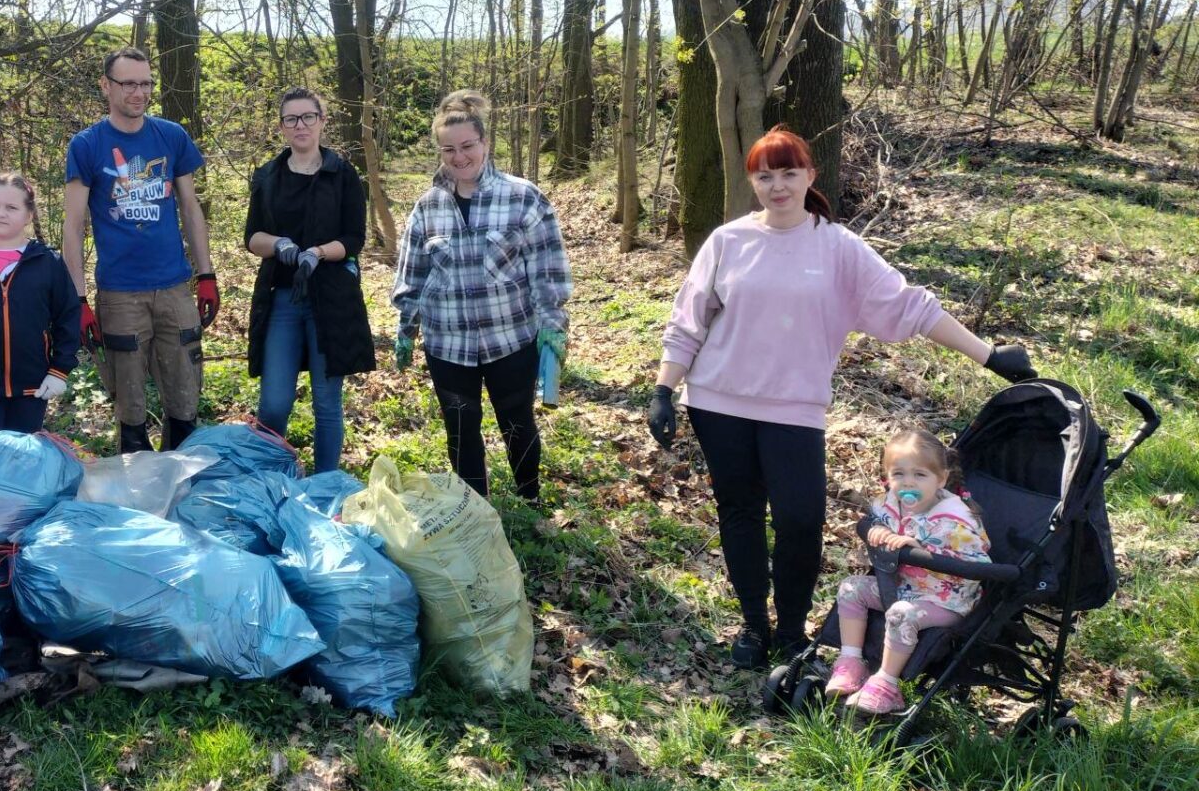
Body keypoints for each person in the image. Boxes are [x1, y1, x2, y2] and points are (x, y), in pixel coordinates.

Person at [646, 124, 1037, 669]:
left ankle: (791, 631)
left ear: (810, 175)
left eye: (788, 173)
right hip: (719, 402)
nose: (777, 185)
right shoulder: (727, 242)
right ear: (752, 181)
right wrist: (665, 388)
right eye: (765, 175)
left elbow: (912, 307)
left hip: (795, 409)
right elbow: (687, 321)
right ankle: (755, 627)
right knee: (739, 513)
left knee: (800, 520)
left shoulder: (837, 247)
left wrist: (990, 356)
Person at [391, 91, 572, 501]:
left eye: (467, 146)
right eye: (449, 149)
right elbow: (413, 272)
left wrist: (553, 324)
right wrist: (406, 327)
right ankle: (476, 509)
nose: (459, 157)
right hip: (447, 343)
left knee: (517, 422)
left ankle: (529, 496)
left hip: (510, 338)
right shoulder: (427, 207)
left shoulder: (523, 197)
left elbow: (547, 268)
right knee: (460, 426)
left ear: (485, 144)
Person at [62, 45, 217, 454]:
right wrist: (76, 298)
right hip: (120, 294)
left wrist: (207, 276)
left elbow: (190, 208)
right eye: (128, 83)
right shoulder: (87, 145)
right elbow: (74, 227)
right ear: (105, 86)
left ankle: (181, 490)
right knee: (129, 410)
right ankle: (138, 500)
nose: (139, 92)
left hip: (173, 288)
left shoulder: (171, 136)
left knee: (185, 403)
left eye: (146, 83)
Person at [243, 88, 375, 472]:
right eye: (291, 119)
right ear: (282, 126)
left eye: (308, 117)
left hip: (330, 299)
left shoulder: (343, 174)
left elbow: (355, 239)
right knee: (273, 403)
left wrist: (318, 253)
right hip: (282, 297)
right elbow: (252, 236)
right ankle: (271, 479)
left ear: (322, 121)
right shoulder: (267, 176)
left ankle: (324, 485)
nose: (300, 125)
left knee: (326, 403)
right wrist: (279, 244)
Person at [824, 425, 993, 715]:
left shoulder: (955, 520)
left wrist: (922, 550)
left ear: (941, 479)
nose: (908, 483)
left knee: (902, 614)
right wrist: (876, 529)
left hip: (946, 599)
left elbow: (978, 566)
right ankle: (852, 661)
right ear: (887, 478)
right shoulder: (891, 505)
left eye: (919, 475)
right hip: (902, 586)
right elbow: (873, 522)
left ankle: (886, 683)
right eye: (898, 474)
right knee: (852, 588)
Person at [0, 172, 82, 434]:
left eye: (11, 207)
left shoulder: (47, 262)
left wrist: (59, 369)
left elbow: (68, 316)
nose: (0, 213)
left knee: (22, 460)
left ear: (28, 215)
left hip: (32, 387)